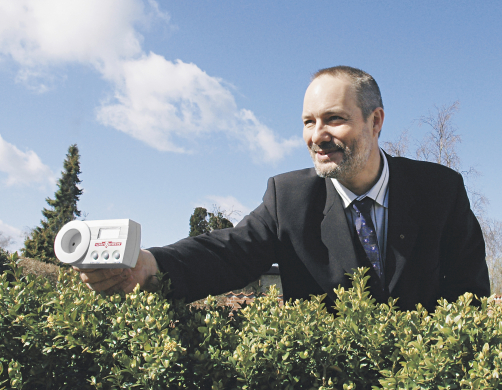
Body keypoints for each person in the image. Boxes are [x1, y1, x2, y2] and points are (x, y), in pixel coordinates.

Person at [75, 66, 490, 312]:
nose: (317, 135)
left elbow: (469, 296)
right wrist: (151, 265)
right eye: (308, 122)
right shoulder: (288, 198)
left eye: (333, 119)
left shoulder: (441, 191)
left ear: (375, 121)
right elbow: (228, 252)